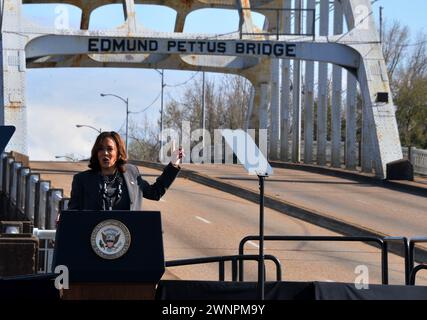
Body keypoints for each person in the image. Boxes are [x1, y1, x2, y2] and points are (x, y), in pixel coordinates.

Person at [68, 131, 182, 211]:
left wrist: (173, 165)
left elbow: (155, 193)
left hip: (129, 240)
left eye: (109, 149)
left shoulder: (131, 173)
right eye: (100, 149)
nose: (105, 153)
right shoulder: (82, 180)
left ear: (118, 152)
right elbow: (73, 212)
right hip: (94, 241)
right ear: (96, 153)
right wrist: (63, 218)